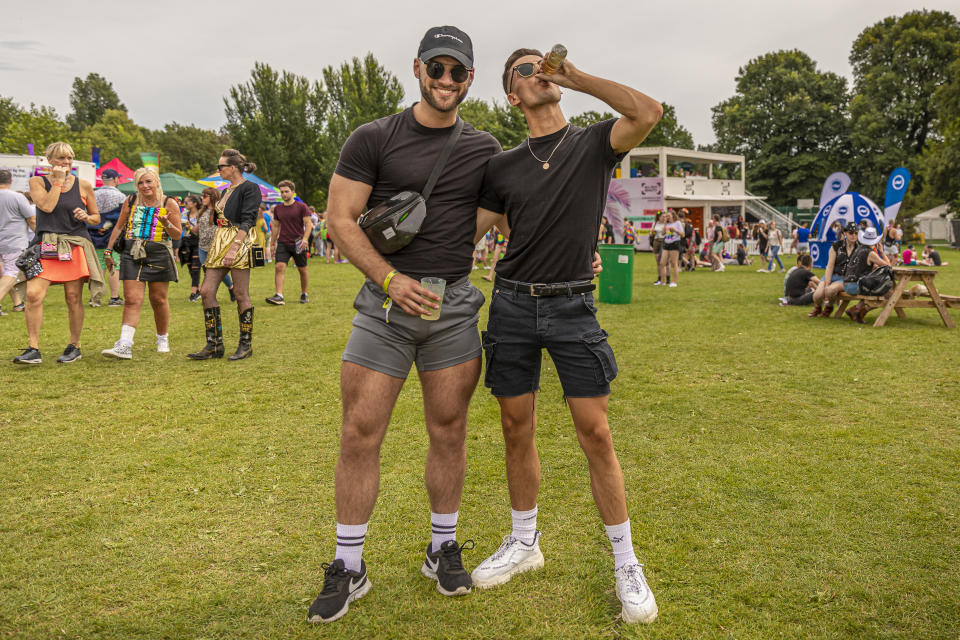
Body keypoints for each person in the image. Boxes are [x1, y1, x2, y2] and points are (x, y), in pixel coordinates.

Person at [306, 26, 502, 624]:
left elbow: (503, 211)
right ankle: (349, 564)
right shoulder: (374, 136)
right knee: (360, 431)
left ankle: (442, 547)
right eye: (437, 69)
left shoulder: (486, 147)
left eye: (458, 72)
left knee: (449, 430)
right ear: (418, 68)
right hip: (384, 310)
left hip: (453, 311)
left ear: (470, 78)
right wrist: (391, 279)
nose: (446, 81)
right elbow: (340, 219)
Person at [470, 46, 662, 625]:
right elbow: (469, 230)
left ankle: (625, 562)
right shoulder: (502, 167)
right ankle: (524, 542)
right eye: (526, 71)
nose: (539, 74)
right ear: (512, 94)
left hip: (574, 305)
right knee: (514, 426)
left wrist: (575, 77)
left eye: (542, 66)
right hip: (512, 305)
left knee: (596, 432)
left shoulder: (591, 143)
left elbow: (648, 112)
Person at [15, 142, 104, 364]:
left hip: (74, 244)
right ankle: (33, 348)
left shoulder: (84, 185)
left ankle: (74, 346)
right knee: (34, 294)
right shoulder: (37, 182)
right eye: (61, 158)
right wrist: (57, 181)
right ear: (50, 160)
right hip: (47, 244)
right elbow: (46, 206)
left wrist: (86, 217)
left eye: (69, 159)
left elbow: (96, 218)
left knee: (73, 297)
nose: (65, 163)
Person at [100, 168, 182, 358]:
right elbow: (119, 226)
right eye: (141, 183)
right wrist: (108, 251)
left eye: (148, 182)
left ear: (156, 182)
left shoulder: (169, 203)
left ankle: (162, 337)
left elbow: (177, 234)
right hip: (131, 252)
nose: (145, 186)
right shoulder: (130, 201)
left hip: (159, 252)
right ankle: (125, 345)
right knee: (131, 299)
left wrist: (166, 223)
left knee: (158, 299)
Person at [187, 149, 259, 361]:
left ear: (232, 168)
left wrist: (235, 246)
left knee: (240, 293)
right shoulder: (227, 190)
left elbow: (248, 219)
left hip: (239, 239)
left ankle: (245, 345)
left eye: (220, 166)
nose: (218, 170)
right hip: (220, 241)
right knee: (206, 291)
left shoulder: (250, 188)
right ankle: (214, 344)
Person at [265, 180, 313, 305]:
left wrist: (305, 239)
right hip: (283, 242)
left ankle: (304, 293)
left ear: (293, 192)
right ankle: (279, 295)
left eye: (286, 191)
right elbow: (275, 226)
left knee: (302, 269)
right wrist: (273, 242)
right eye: (282, 192)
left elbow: (308, 224)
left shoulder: (302, 207)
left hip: (298, 242)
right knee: (279, 267)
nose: (284, 194)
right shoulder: (278, 209)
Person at [0, 169, 36, 315]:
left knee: (3, 275)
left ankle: (18, 304)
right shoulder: (17, 197)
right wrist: (39, 236)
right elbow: (31, 219)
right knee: (11, 273)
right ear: (11, 181)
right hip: (13, 241)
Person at [91, 168, 125, 306]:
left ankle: (95, 297)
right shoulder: (121, 197)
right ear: (116, 179)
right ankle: (114, 297)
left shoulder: (93, 194)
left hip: (95, 233)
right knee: (113, 263)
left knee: (98, 264)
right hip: (112, 236)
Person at [195, 188, 235, 302]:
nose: (202, 198)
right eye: (202, 196)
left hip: (216, 247)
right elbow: (198, 228)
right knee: (207, 271)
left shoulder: (220, 211)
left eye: (204, 196)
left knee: (217, 272)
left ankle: (230, 288)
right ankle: (227, 289)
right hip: (202, 247)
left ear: (212, 197)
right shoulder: (202, 211)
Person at [180, 194, 203, 302]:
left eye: (187, 202)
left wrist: (190, 226)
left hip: (198, 242)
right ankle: (198, 291)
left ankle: (193, 293)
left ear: (194, 203)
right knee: (190, 268)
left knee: (195, 268)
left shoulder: (201, 214)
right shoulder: (184, 213)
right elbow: (180, 223)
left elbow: (201, 229)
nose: (185, 204)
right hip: (186, 242)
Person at [656, 209, 683, 287]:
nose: (666, 217)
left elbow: (682, 235)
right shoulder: (667, 224)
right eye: (666, 216)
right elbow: (662, 233)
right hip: (666, 244)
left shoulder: (677, 223)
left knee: (674, 263)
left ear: (673, 216)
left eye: (668, 216)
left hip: (675, 244)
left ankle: (674, 282)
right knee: (661, 263)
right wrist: (664, 224)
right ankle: (662, 282)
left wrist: (675, 230)